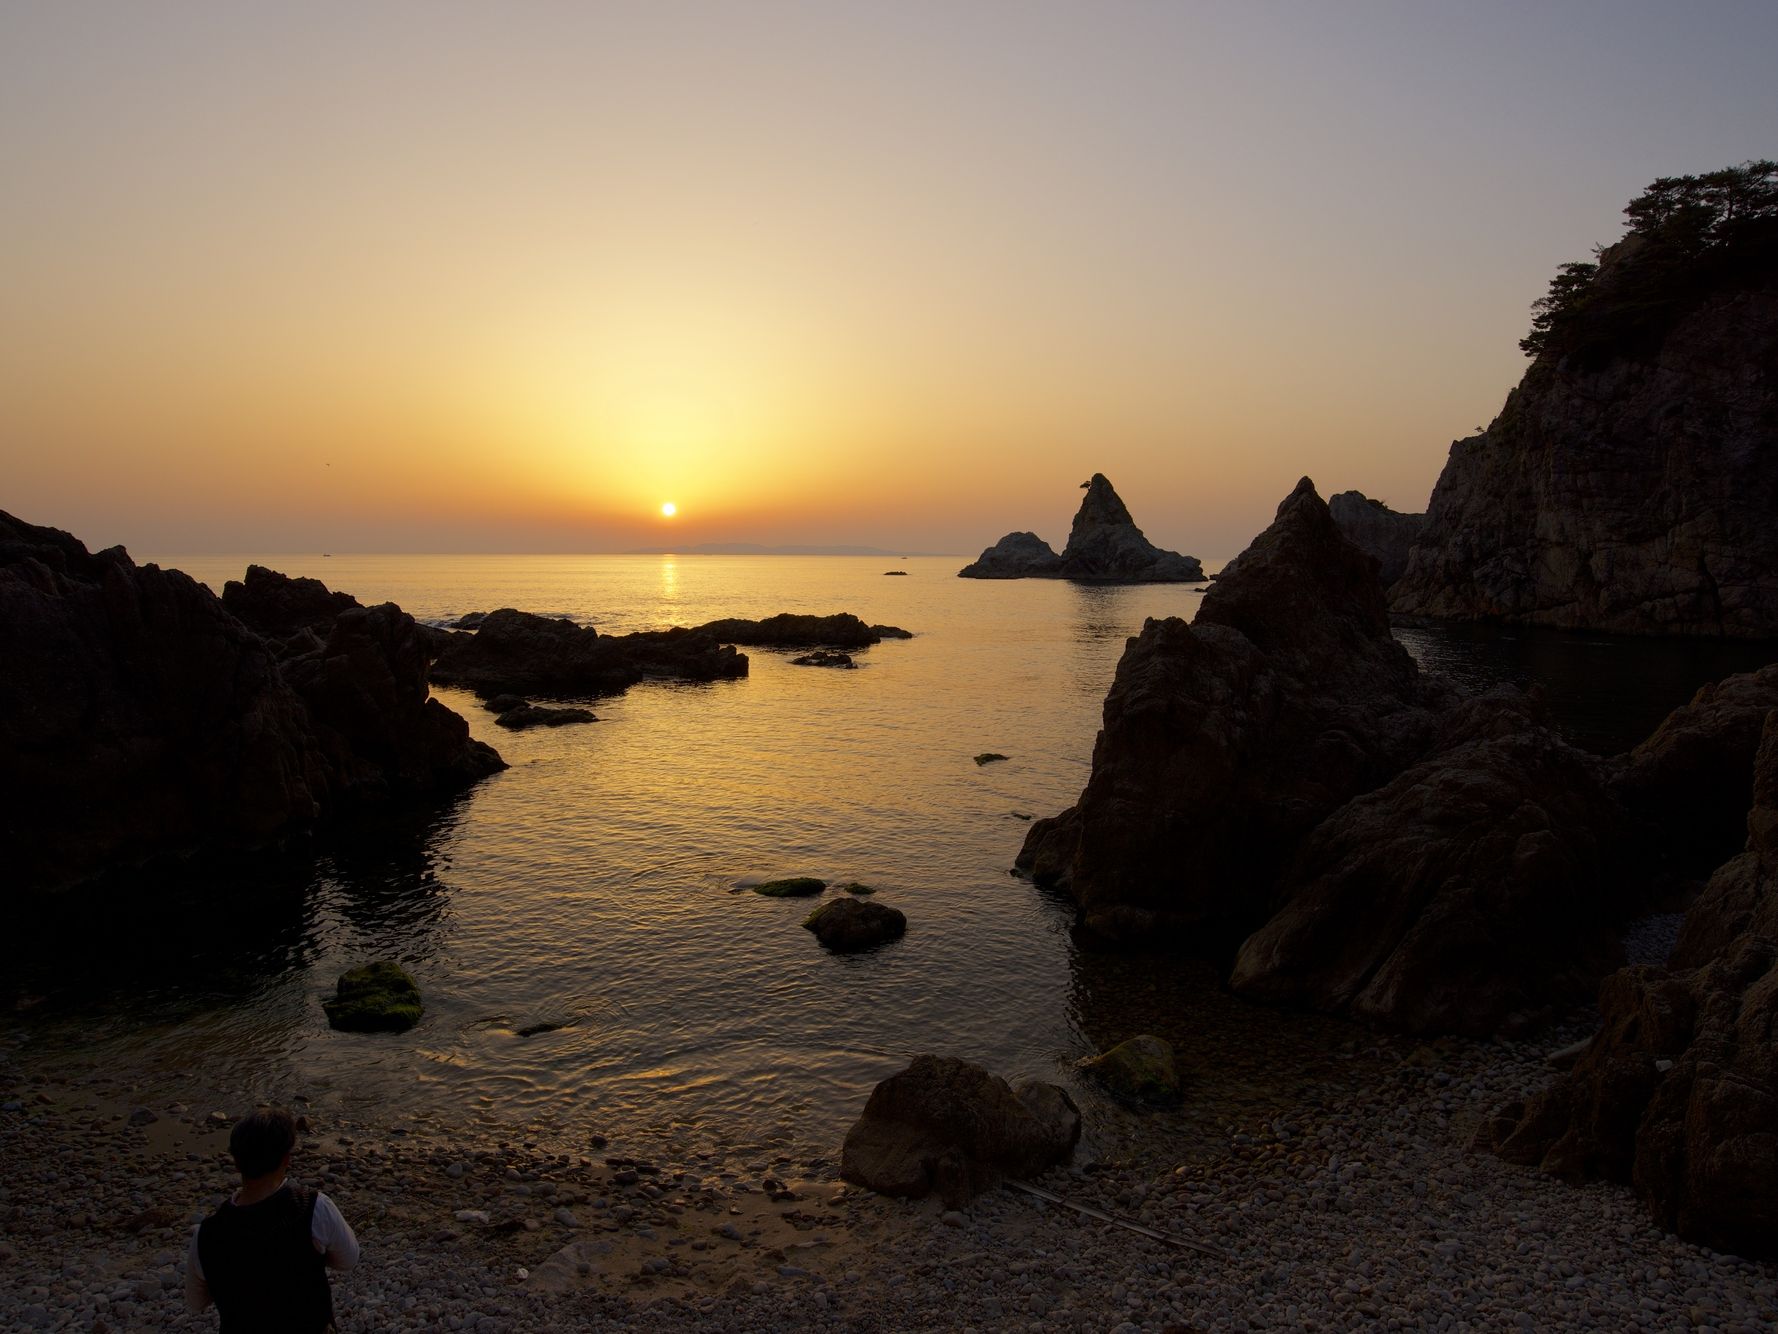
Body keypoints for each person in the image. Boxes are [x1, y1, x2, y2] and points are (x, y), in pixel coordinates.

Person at [184, 1107, 359, 1332]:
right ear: (286, 1159)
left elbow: (196, 1302)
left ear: (236, 1163)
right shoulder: (313, 1209)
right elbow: (349, 1260)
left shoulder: (207, 1235)